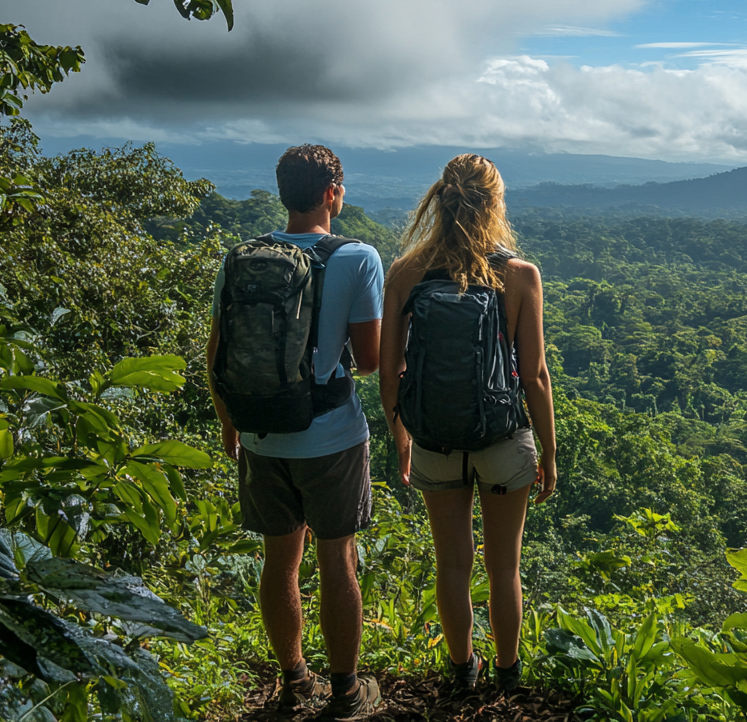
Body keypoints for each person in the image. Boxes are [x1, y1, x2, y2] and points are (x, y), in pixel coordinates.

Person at [207, 145, 384, 720]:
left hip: (260, 434)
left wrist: (231, 426)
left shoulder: (238, 259)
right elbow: (369, 359)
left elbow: (216, 357)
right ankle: (346, 694)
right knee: (338, 561)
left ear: (283, 192)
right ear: (333, 192)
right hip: (330, 436)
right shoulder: (357, 258)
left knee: (278, 562)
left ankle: (293, 682)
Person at [379, 153, 558, 693]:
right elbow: (535, 376)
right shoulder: (519, 274)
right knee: (505, 567)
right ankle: (507, 674)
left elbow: (390, 368)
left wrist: (401, 435)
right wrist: (548, 453)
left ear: (440, 198)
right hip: (503, 438)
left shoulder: (407, 271)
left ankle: (462, 671)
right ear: (496, 204)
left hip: (434, 437)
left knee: (452, 565)